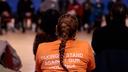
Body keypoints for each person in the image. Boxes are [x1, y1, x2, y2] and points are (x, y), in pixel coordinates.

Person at [91, 2, 128, 72]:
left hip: (103, 67)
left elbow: (95, 49)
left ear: (111, 15)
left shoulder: (98, 32)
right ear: (126, 16)